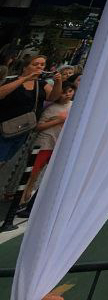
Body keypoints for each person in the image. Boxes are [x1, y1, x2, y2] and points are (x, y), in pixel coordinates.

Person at [0, 56, 63, 199]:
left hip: (23, 130)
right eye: (36, 64)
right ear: (25, 66)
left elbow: (53, 97)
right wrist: (25, 78)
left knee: (4, 161)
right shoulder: (12, 80)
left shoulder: (41, 84)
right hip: (4, 127)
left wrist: (58, 81)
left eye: (43, 64)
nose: (40, 67)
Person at [18, 81, 73, 216]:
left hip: (60, 144)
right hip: (44, 143)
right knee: (33, 173)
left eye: (70, 92)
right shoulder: (50, 108)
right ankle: (21, 201)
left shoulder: (74, 106)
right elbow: (38, 127)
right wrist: (58, 120)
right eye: (64, 92)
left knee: (50, 175)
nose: (67, 95)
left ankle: (33, 200)